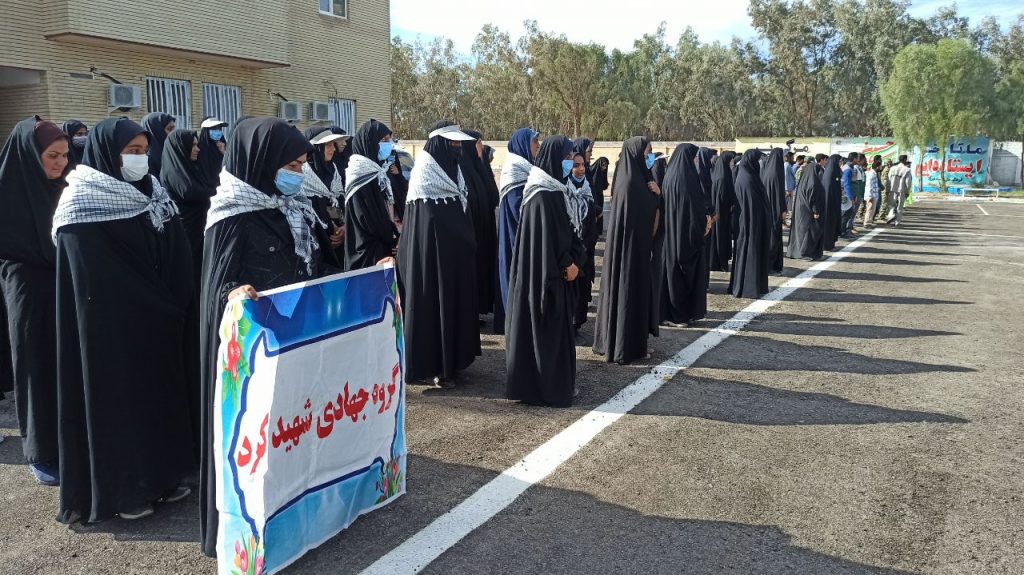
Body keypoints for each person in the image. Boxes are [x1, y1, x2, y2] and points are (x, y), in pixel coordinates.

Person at [53, 117, 194, 523]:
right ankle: (126, 492)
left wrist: (172, 294)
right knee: (120, 408)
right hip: (111, 328)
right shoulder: (81, 203)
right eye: (131, 152)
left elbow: (175, 244)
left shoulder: (152, 191)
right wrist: (150, 299)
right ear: (107, 154)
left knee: (158, 400)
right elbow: (94, 276)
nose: (140, 159)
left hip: (158, 319)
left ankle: (164, 477)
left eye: (143, 151)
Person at [198, 116, 324, 556]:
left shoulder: (293, 207)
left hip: (294, 341)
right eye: (291, 165)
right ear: (262, 162)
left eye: (303, 164)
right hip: (257, 353)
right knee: (257, 444)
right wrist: (233, 295)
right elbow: (216, 291)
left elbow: (315, 266)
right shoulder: (231, 216)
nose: (299, 173)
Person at [0, 116, 69, 485]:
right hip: (26, 287)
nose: (60, 163)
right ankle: (40, 451)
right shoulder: (9, 192)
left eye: (64, 155)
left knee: (63, 365)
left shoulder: (64, 189)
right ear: (30, 155)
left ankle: (68, 443)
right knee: (35, 366)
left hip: (60, 285)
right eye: (52, 156)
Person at [398, 121, 481, 386]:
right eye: (452, 143)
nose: (457, 148)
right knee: (434, 309)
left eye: (459, 143)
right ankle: (435, 368)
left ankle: (454, 362)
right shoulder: (425, 178)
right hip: (433, 263)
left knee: (455, 307)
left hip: (455, 260)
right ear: (438, 144)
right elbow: (428, 226)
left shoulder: (454, 173)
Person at [506, 135, 582, 407]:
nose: (570, 162)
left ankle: (555, 383)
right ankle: (546, 388)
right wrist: (567, 264)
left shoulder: (554, 189)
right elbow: (546, 241)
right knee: (546, 332)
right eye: (566, 158)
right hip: (546, 279)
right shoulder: (541, 195)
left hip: (555, 275)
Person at [593, 137, 662, 365]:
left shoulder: (634, 177)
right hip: (631, 253)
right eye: (647, 153)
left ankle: (629, 344)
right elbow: (646, 212)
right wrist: (657, 196)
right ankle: (627, 347)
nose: (649, 157)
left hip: (632, 251)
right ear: (636, 154)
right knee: (628, 295)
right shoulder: (632, 182)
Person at [660, 144, 712, 327]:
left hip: (670, 236)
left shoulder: (670, 176)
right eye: (694, 157)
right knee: (681, 275)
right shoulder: (687, 179)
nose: (696, 161)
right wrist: (704, 225)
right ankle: (678, 316)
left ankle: (667, 314)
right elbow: (694, 208)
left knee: (669, 273)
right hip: (684, 236)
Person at [495, 128, 540, 334]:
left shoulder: (526, 167)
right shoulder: (515, 169)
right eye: (534, 142)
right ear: (523, 144)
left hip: (521, 233)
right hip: (516, 234)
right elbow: (517, 207)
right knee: (515, 274)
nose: (538, 146)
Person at [343, 119, 401, 271]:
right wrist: (393, 237)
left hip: (384, 250)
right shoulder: (360, 175)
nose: (389, 144)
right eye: (384, 140)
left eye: (389, 140)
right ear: (370, 143)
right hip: (368, 255)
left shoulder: (378, 171)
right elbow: (370, 219)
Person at [460, 129, 499, 318]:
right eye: (478, 142)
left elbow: (493, 196)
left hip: (485, 231)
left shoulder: (479, 166)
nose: (482, 146)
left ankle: (479, 309)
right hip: (472, 234)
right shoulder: (462, 170)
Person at [161, 130, 209, 281]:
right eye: (193, 145)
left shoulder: (190, 168)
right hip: (186, 231)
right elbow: (191, 192)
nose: (197, 149)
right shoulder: (174, 172)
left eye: (197, 145)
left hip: (198, 230)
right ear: (181, 148)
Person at [302, 127, 348, 271]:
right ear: (316, 148)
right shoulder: (302, 173)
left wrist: (344, 228)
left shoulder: (333, 170)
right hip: (317, 246)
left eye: (333, 144)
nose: (333, 149)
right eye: (328, 145)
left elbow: (339, 200)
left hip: (339, 244)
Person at [728, 149, 771, 299]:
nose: (760, 163)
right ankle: (748, 287)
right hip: (750, 225)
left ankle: (753, 285)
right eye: (757, 160)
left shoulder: (748, 175)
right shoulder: (747, 179)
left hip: (751, 223)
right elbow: (752, 206)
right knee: (749, 252)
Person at [566, 151, 595, 337]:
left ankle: (577, 324)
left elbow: (593, 222)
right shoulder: (562, 190)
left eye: (583, 164)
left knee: (582, 289)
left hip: (585, 250)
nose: (581, 169)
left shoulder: (587, 190)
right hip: (569, 251)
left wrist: (587, 245)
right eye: (576, 165)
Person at [787, 155, 825, 261]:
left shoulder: (804, 180)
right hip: (809, 212)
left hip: (801, 210)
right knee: (808, 232)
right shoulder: (814, 183)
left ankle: (797, 252)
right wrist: (816, 211)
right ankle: (805, 253)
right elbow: (814, 198)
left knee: (800, 231)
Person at [708, 150, 737, 272]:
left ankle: (716, 261)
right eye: (730, 160)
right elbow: (723, 197)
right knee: (720, 237)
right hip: (721, 213)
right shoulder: (723, 177)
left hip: (719, 212)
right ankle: (721, 262)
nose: (732, 163)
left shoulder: (720, 173)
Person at [761, 148, 787, 274]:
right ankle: (771, 266)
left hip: (767, 209)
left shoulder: (768, 171)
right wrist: (782, 210)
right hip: (774, 210)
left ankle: (771, 265)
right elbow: (779, 194)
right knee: (774, 238)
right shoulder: (776, 173)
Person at [141, 112, 176, 177]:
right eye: (169, 129)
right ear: (156, 131)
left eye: (174, 129)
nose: (174, 133)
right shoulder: (145, 162)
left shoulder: (174, 154)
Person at [821, 154, 843, 251]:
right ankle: (827, 245)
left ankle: (831, 244)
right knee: (829, 224)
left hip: (834, 203)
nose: (841, 163)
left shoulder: (835, 171)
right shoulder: (830, 173)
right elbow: (829, 190)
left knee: (833, 223)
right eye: (839, 161)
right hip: (829, 204)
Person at [887, 154, 912, 226]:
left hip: (892, 188)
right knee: (900, 206)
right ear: (905, 160)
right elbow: (908, 182)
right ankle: (897, 222)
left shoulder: (892, 168)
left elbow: (888, 179)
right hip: (902, 189)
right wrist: (908, 191)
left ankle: (891, 215)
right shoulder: (907, 169)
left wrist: (888, 188)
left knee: (891, 204)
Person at [863, 157, 881, 227]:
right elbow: (869, 184)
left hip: (874, 194)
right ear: (877, 167)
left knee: (872, 209)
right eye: (880, 166)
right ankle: (867, 222)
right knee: (870, 209)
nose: (881, 167)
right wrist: (870, 195)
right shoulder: (872, 173)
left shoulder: (873, 173)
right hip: (871, 195)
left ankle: (869, 222)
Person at [785, 152, 798, 223]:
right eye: (792, 158)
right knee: (787, 206)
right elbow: (786, 178)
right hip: (788, 190)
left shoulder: (788, 165)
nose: (793, 159)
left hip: (790, 189)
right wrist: (787, 190)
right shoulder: (787, 166)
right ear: (788, 158)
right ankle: (786, 221)